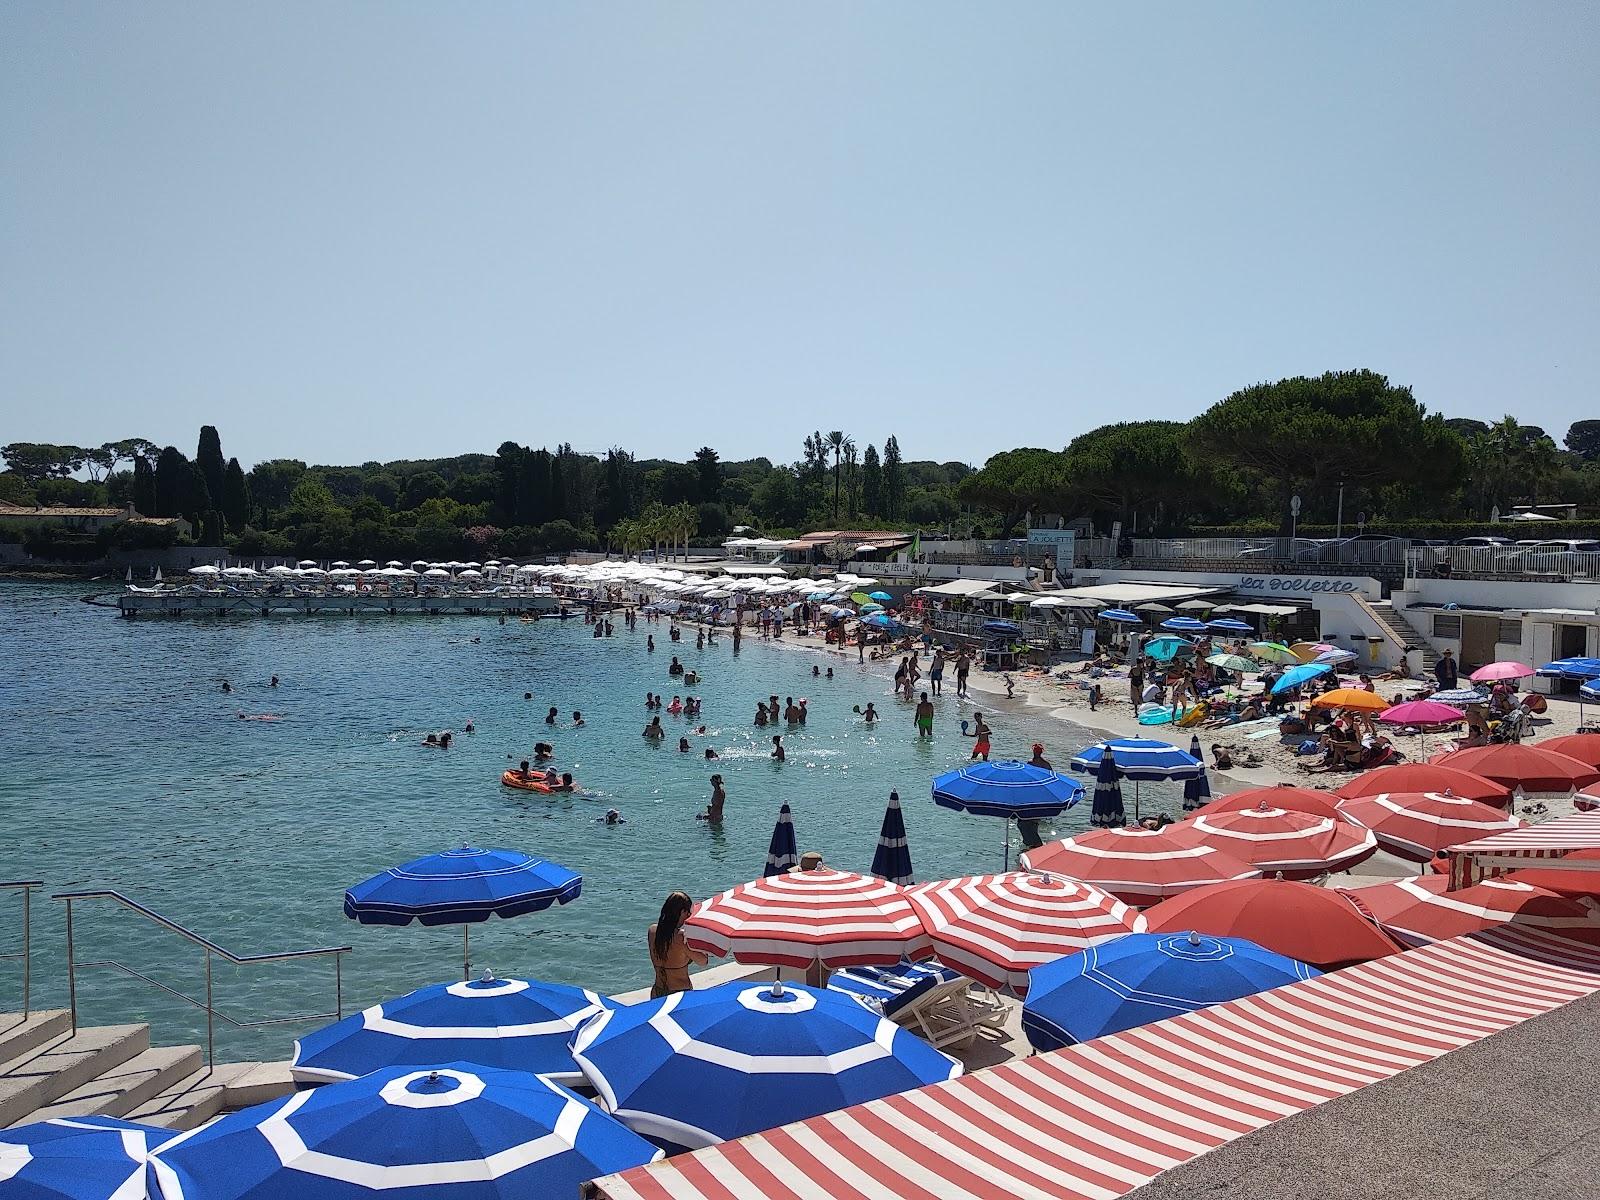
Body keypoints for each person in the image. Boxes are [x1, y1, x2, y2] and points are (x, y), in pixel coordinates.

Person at [648, 892, 707, 998]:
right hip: (679, 994)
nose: (689, 915)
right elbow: (703, 961)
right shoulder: (681, 937)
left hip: (657, 991)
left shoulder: (652, 931)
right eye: (688, 912)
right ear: (682, 911)